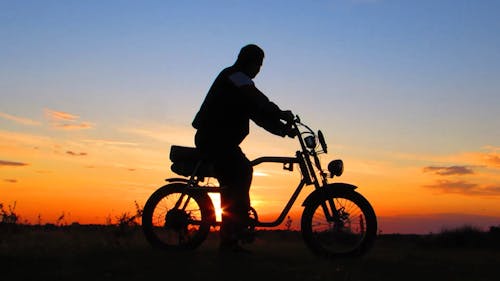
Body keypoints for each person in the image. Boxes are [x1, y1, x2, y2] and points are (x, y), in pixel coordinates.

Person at [192, 44, 295, 253]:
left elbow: (258, 114)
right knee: (241, 171)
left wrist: (283, 130)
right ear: (247, 60)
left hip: (220, 141)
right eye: (258, 64)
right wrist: (280, 113)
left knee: (237, 177)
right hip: (213, 139)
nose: (259, 69)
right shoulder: (235, 76)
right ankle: (232, 234)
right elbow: (258, 100)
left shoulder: (239, 86)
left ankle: (233, 234)